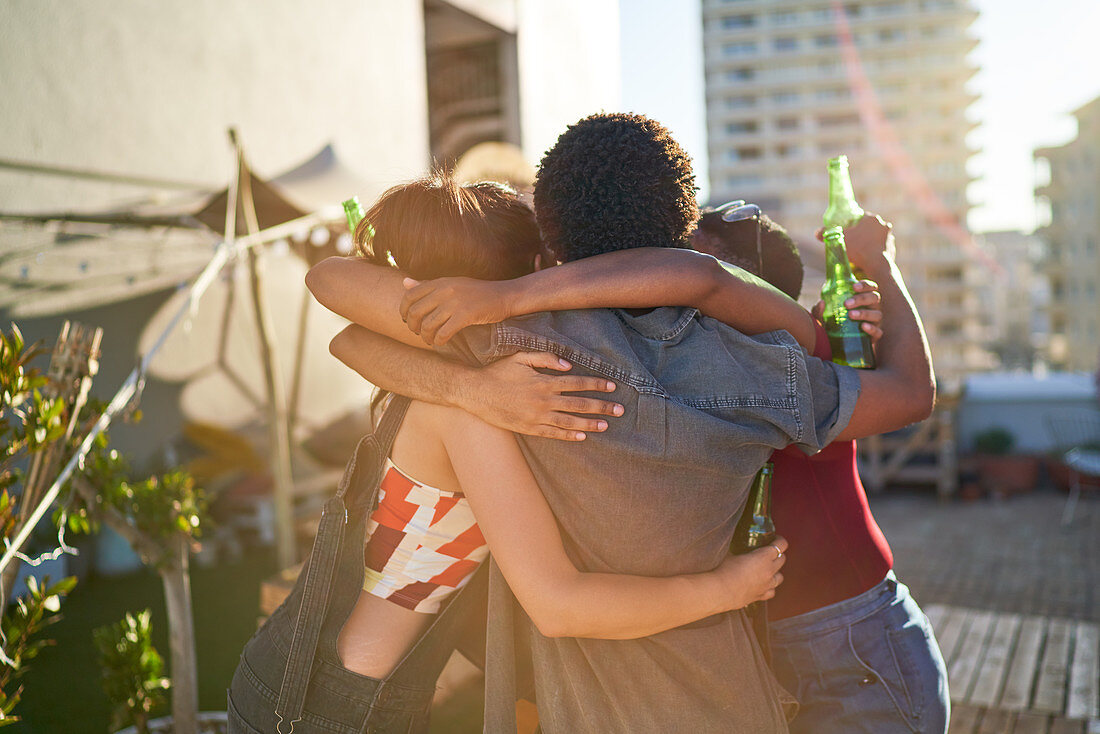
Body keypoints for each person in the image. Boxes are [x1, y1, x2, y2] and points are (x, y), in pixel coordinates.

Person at [309, 112, 935, 733]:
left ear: (550, 239)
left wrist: (477, 378)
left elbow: (336, 297)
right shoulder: (762, 366)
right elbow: (904, 392)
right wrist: (879, 265)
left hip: (616, 690)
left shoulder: (513, 348)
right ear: (681, 229)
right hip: (746, 680)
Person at [226, 176, 793, 734]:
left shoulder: (423, 370)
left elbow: (342, 322)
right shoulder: (474, 409)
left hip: (293, 669)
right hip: (332, 707)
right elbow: (559, 606)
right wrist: (726, 589)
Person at [691, 206, 950, 734]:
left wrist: (879, 263)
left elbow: (913, 391)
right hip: (794, 648)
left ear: (746, 281)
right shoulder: (698, 357)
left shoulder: (800, 356)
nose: (679, 274)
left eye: (697, 259)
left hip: (858, 652)